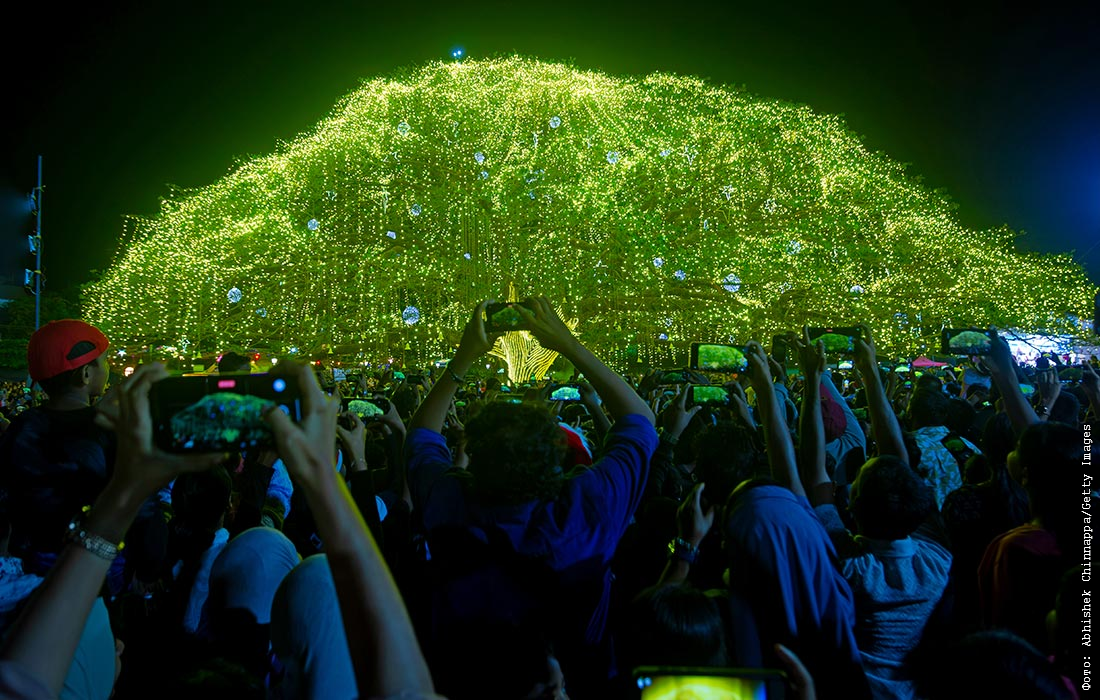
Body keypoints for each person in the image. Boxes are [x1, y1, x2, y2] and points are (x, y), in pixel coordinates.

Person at [403, 298, 657, 693]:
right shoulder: (588, 506)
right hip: (582, 680)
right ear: (554, 455)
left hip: (470, 683)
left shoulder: (449, 501)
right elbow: (640, 420)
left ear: (472, 456)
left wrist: (464, 357)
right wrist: (568, 345)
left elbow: (420, 437)